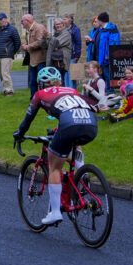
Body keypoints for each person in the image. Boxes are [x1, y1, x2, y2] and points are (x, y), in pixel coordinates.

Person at [14, 66, 98, 225]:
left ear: (41, 83)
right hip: (91, 124)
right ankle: (82, 172)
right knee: (75, 142)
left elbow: (28, 119)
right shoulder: (71, 90)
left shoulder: (39, 94)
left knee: (54, 166)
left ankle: (55, 212)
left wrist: (19, 133)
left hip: (69, 124)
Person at [20, 14, 48, 97]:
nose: (21, 23)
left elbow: (40, 42)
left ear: (28, 21)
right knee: (32, 81)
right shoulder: (28, 30)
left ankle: (45, 98)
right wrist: (26, 44)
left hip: (40, 60)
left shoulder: (39, 28)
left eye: (22, 21)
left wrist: (27, 46)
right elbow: (33, 41)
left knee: (42, 81)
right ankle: (34, 100)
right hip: (33, 60)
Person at [0, 12, 21, 96]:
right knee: (1, 74)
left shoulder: (12, 29)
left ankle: (9, 91)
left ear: (6, 19)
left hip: (7, 55)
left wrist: (11, 52)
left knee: (5, 73)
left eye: (1, 19)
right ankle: (5, 90)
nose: (0, 21)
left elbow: (17, 42)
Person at [45, 19, 71, 83]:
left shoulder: (66, 34)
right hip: (54, 61)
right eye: (57, 24)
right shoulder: (55, 35)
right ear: (54, 26)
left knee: (60, 81)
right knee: (54, 82)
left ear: (63, 25)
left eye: (60, 24)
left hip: (61, 62)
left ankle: (62, 93)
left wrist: (49, 35)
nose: (58, 26)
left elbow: (56, 43)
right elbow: (47, 45)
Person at [64, 14, 82, 87]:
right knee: (66, 76)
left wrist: (77, 55)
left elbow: (78, 43)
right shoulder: (63, 29)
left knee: (72, 76)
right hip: (65, 56)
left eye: (65, 19)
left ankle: (72, 92)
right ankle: (67, 91)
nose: (63, 20)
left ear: (70, 20)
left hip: (72, 56)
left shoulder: (75, 29)